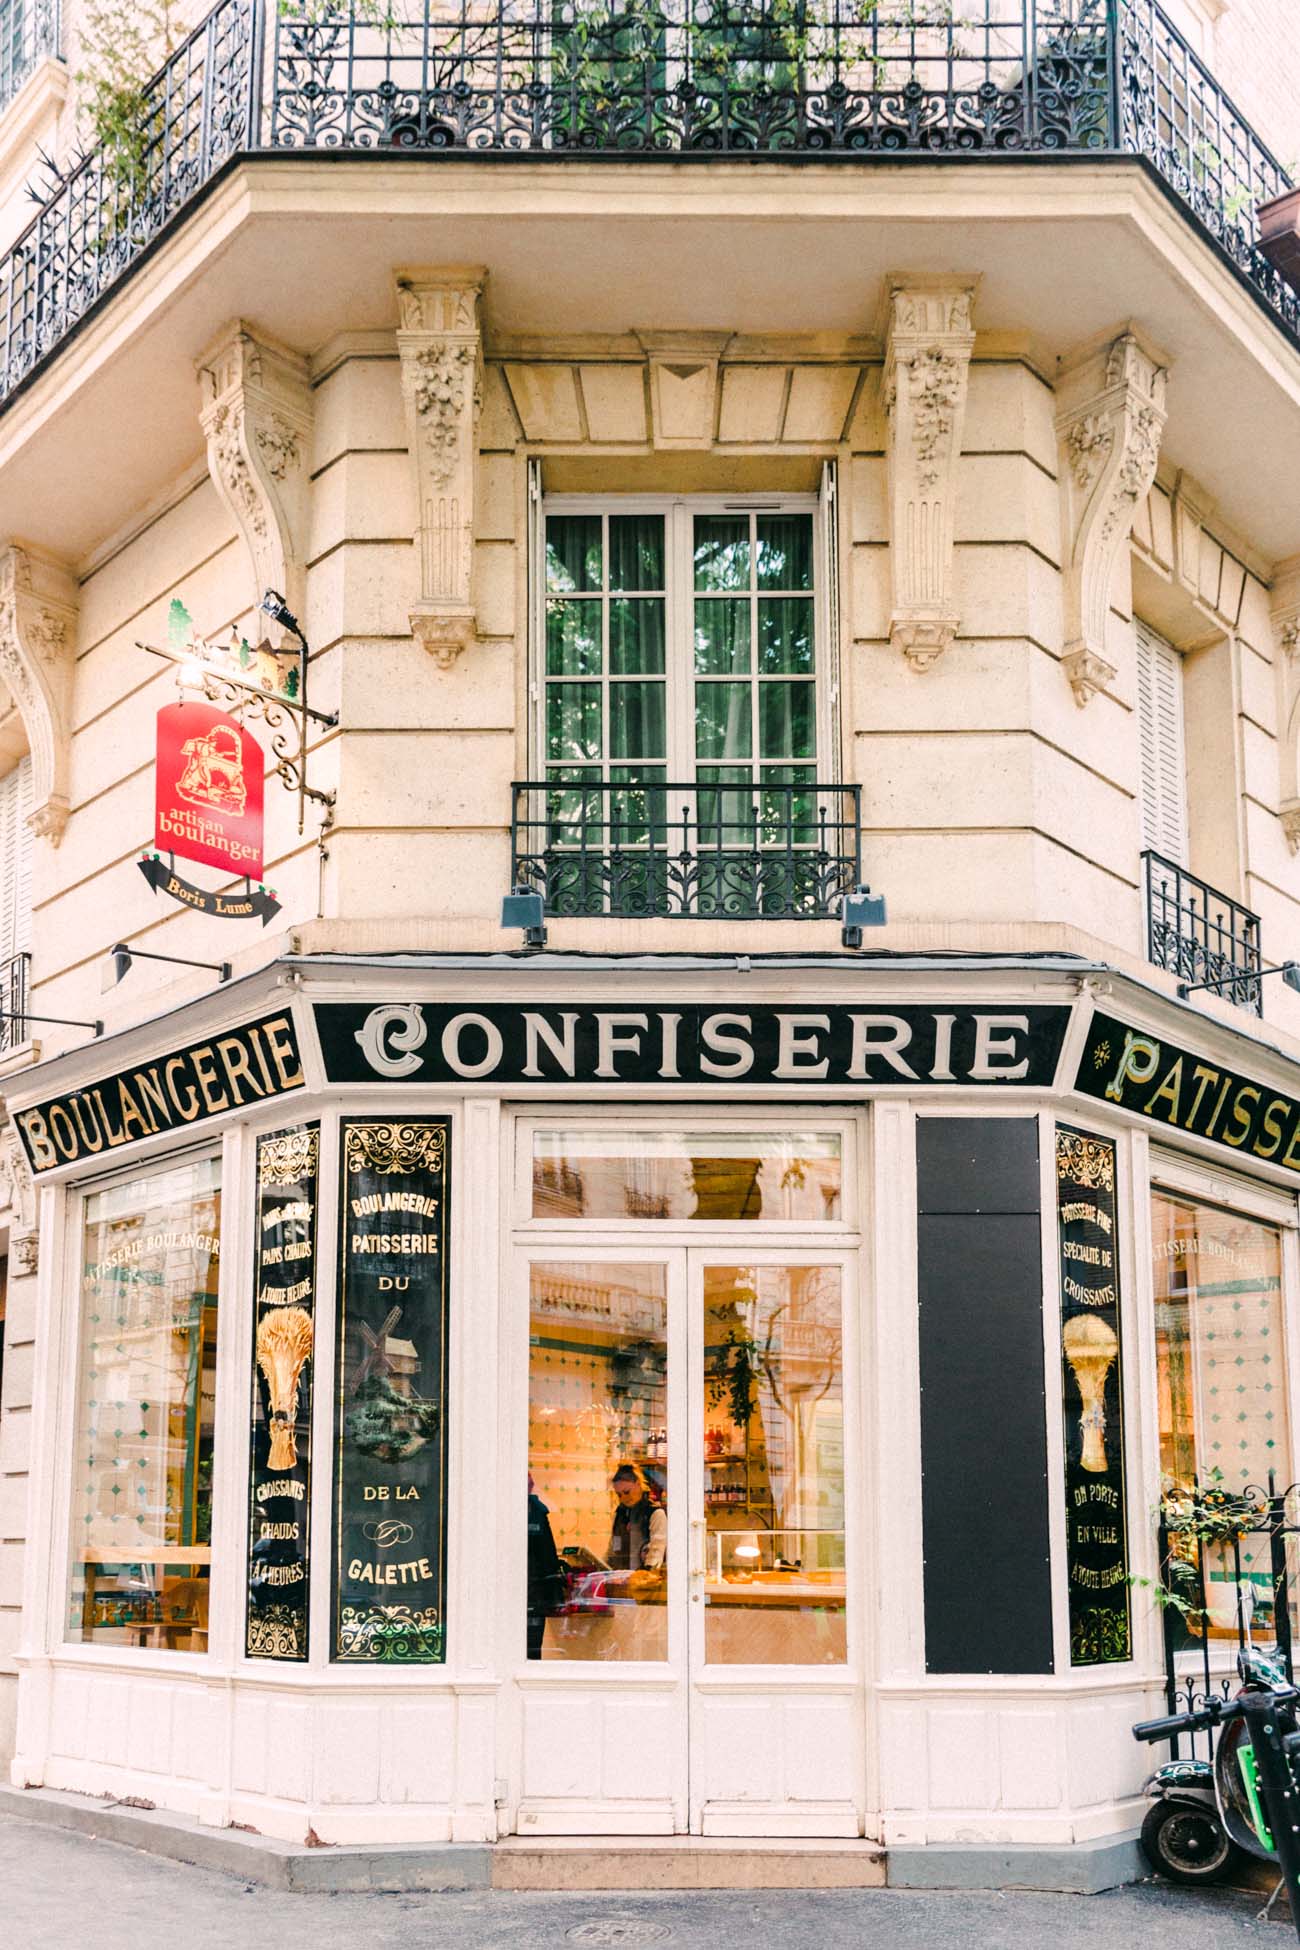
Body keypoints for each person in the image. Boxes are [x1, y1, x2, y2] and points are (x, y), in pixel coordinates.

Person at [526, 1473, 566, 1659]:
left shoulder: (537, 1513)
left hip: (534, 1596)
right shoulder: (537, 1512)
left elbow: (547, 1556)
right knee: (530, 1652)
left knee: (531, 1651)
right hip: (533, 1595)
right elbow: (548, 1557)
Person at [606, 1462, 666, 1574]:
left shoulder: (655, 1513)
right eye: (619, 1495)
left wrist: (644, 1577)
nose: (623, 1498)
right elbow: (613, 1548)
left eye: (626, 1492)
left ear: (638, 1484)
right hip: (622, 1578)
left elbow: (656, 1553)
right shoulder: (620, 1514)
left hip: (646, 1581)